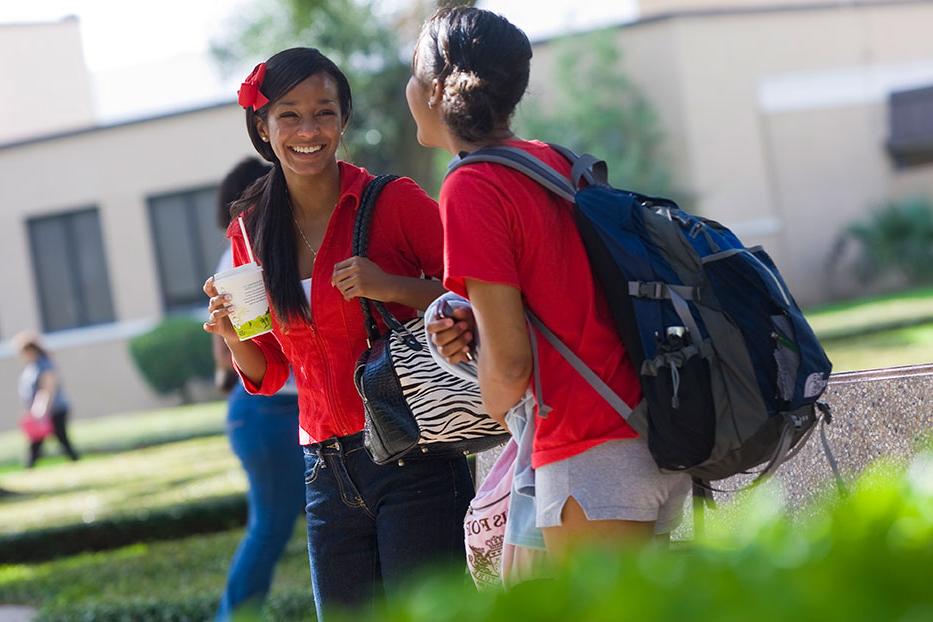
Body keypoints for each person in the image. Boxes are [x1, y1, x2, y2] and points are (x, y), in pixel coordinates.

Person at [409, 7, 691, 559]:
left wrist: (485, 380)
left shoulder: (471, 185)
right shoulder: (553, 162)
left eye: (414, 74)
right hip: (648, 428)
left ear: (437, 88)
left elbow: (510, 370)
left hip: (589, 453)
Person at [202, 48, 473, 620]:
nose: (308, 131)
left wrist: (391, 286)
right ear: (263, 125)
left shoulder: (392, 201)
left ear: (342, 119)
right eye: (289, 115)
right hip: (324, 471)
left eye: (324, 112)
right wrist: (231, 334)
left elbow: (479, 294)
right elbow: (271, 369)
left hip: (414, 457)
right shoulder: (249, 231)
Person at [212, 157, 306, 621]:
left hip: (262, 411)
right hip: (269, 412)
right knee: (271, 526)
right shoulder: (244, 249)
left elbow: (221, 362)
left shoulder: (248, 246)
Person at [14, 332, 79, 468]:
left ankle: (74, 460)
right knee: (38, 440)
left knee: (60, 437)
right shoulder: (32, 366)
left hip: (54, 409)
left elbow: (48, 388)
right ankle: (31, 465)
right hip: (40, 410)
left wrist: (41, 409)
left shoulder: (44, 365)